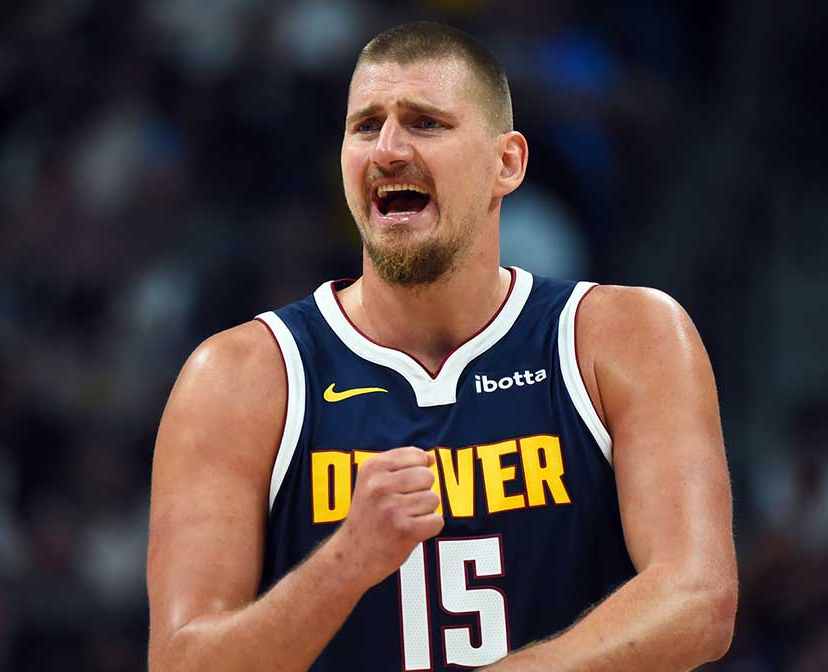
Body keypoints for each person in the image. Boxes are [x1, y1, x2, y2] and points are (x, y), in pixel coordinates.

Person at [147, 21, 736, 671]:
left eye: (425, 123)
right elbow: (181, 662)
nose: (388, 149)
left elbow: (696, 597)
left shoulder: (625, 336)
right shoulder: (240, 376)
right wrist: (346, 563)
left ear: (505, 162)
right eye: (365, 126)